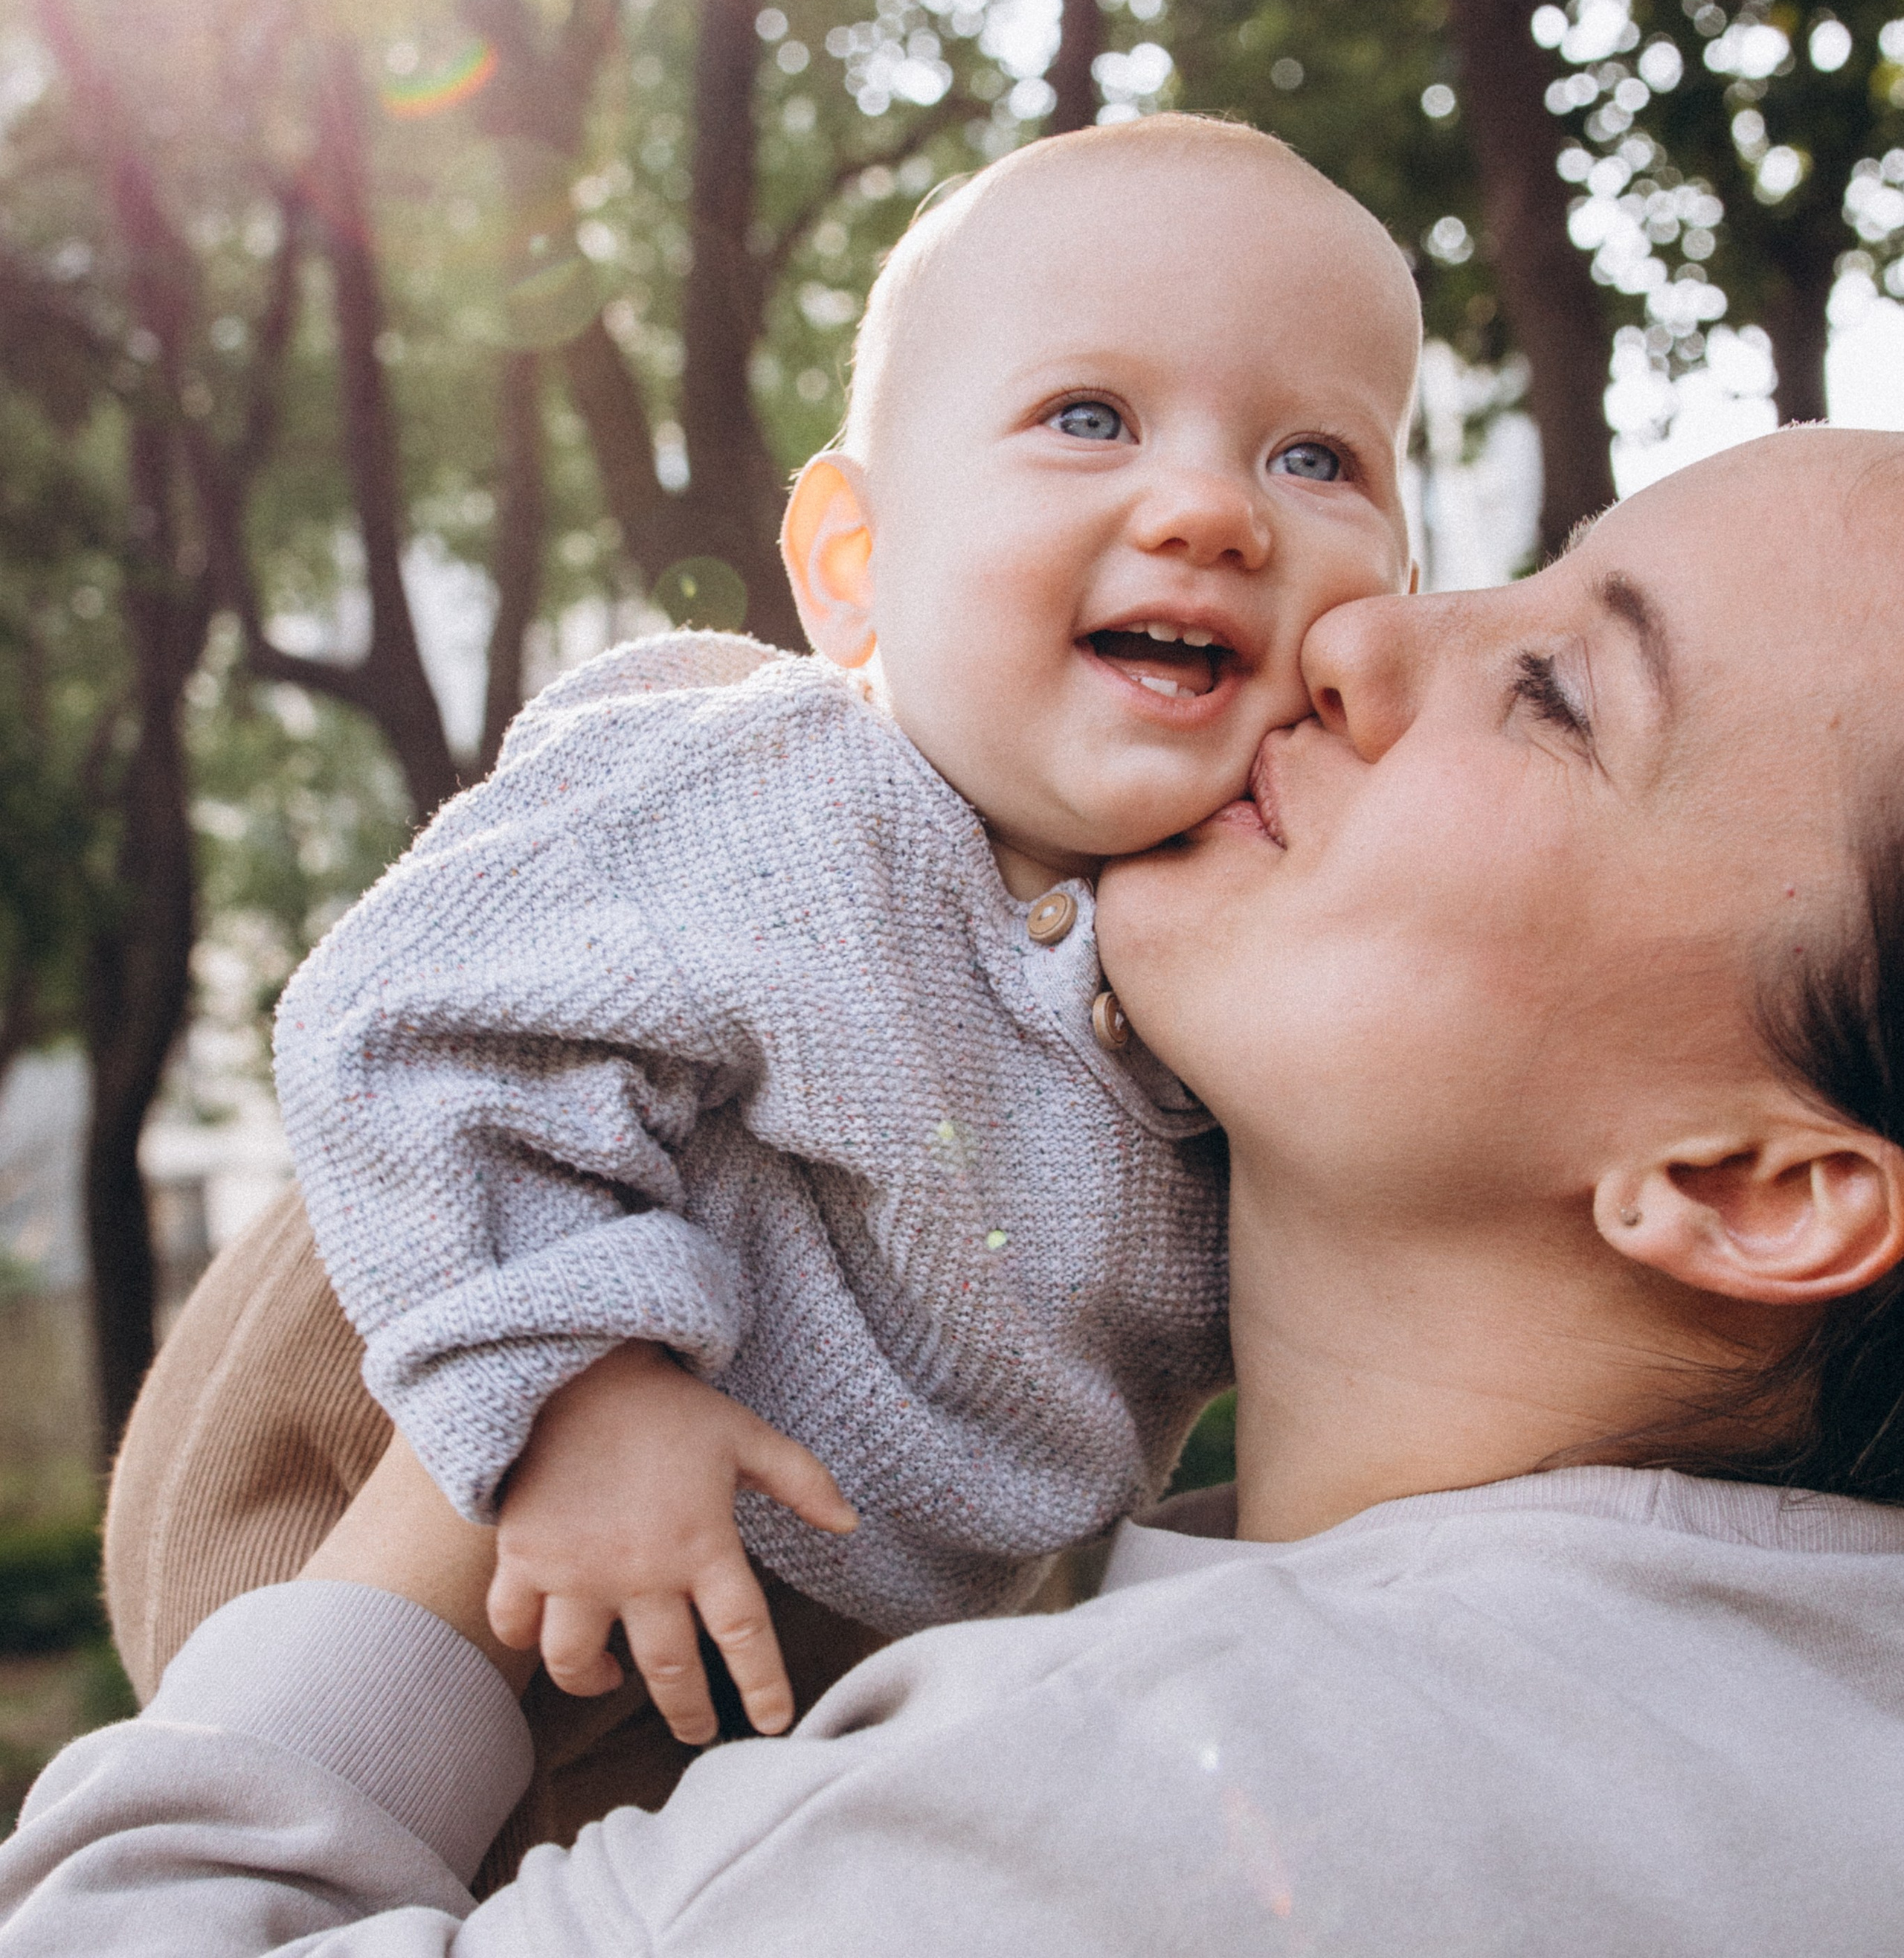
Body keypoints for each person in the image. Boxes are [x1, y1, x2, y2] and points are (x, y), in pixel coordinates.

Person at [9, 426, 1904, 1958]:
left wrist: (536, 1353)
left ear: (1754, 1188)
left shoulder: (1163, 1807)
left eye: (1558, 692)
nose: (1358, 634)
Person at [126, 114, 1418, 1817]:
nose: (1206, 510)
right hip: (408, 1476)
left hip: (774, 1655)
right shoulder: (775, 795)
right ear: (852, 568)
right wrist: (579, 1392)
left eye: (1314, 458)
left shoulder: (1267, 939)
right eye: (1085, 418)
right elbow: (403, 1015)